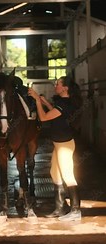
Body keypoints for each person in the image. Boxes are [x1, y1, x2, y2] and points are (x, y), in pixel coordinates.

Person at [28, 76, 83, 221]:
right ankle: (60, 208)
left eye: (58, 84)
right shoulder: (64, 102)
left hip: (64, 145)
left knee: (68, 175)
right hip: (59, 144)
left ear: (65, 88)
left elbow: (45, 117)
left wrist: (37, 100)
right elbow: (56, 114)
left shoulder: (64, 104)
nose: (55, 86)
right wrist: (45, 102)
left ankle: (76, 210)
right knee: (55, 173)